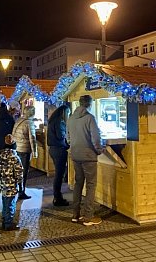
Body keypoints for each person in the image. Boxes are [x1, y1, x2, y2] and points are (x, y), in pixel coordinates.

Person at [67, 95, 104, 226]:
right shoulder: (90, 118)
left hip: (75, 155)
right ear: (90, 104)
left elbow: (68, 138)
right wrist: (99, 150)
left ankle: (75, 214)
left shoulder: (71, 118)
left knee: (78, 184)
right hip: (88, 156)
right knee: (91, 185)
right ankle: (88, 216)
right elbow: (95, 137)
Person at [0, 134, 23, 231]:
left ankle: (4, 220)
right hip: (11, 184)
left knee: (4, 202)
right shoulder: (14, 157)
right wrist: (20, 184)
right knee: (11, 203)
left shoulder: (1, 155)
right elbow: (19, 172)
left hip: (2, 183)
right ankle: (8, 223)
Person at [12, 105, 38, 200]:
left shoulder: (19, 120)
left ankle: (17, 189)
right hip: (25, 150)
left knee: (18, 170)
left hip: (17, 148)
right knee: (23, 172)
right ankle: (21, 192)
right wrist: (35, 152)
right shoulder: (29, 123)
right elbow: (33, 138)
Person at [47, 104, 71, 206]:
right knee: (59, 174)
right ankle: (57, 197)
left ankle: (57, 196)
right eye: (68, 113)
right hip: (59, 149)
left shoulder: (52, 121)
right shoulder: (60, 122)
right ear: (64, 113)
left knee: (58, 173)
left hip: (53, 149)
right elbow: (61, 136)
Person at [0, 103, 15, 180]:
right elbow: (13, 129)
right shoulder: (10, 117)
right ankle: (6, 175)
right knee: (7, 159)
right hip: (7, 141)